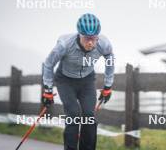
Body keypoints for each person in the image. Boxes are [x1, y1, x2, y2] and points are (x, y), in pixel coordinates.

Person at [41, 13, 115, 150]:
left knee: (89, 116)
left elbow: (110, 62)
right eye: (87, 39)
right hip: (65, 80)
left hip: (87, 81)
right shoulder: (64, 45)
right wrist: (48, 90)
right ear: (79, 35)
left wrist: (108, 86)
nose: (91, 42)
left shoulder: (104, 44)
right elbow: (48, 64)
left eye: (94, 38)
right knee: (73, 114)